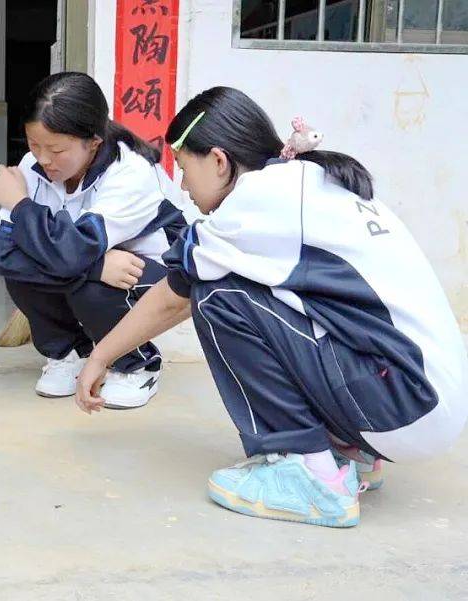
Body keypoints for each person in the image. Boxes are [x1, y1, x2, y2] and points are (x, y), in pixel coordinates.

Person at [76, 86, 467, 527]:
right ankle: (347, 449)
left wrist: (101, 356)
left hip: (402, 404)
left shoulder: (252, 204)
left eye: (185, 170)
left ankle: (307, 470)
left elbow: (174, 296)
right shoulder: (304, 181)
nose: (183, 187)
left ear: (219, 161)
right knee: (268, 294)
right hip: (423, 399)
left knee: (219, 295)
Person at [0, 72, 185, 408]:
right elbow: (5, 256)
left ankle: (138, 363)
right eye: (34, 144)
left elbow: (72, 253)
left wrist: (20, 206)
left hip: (160, 274)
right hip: (104, 265)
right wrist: (94, 266)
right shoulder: (31, 168)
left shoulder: (131, 172)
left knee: (91, 285)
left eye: (56, 149)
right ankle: (71, 353)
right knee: (23, 275)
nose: (43, 159)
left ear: (93, 142)